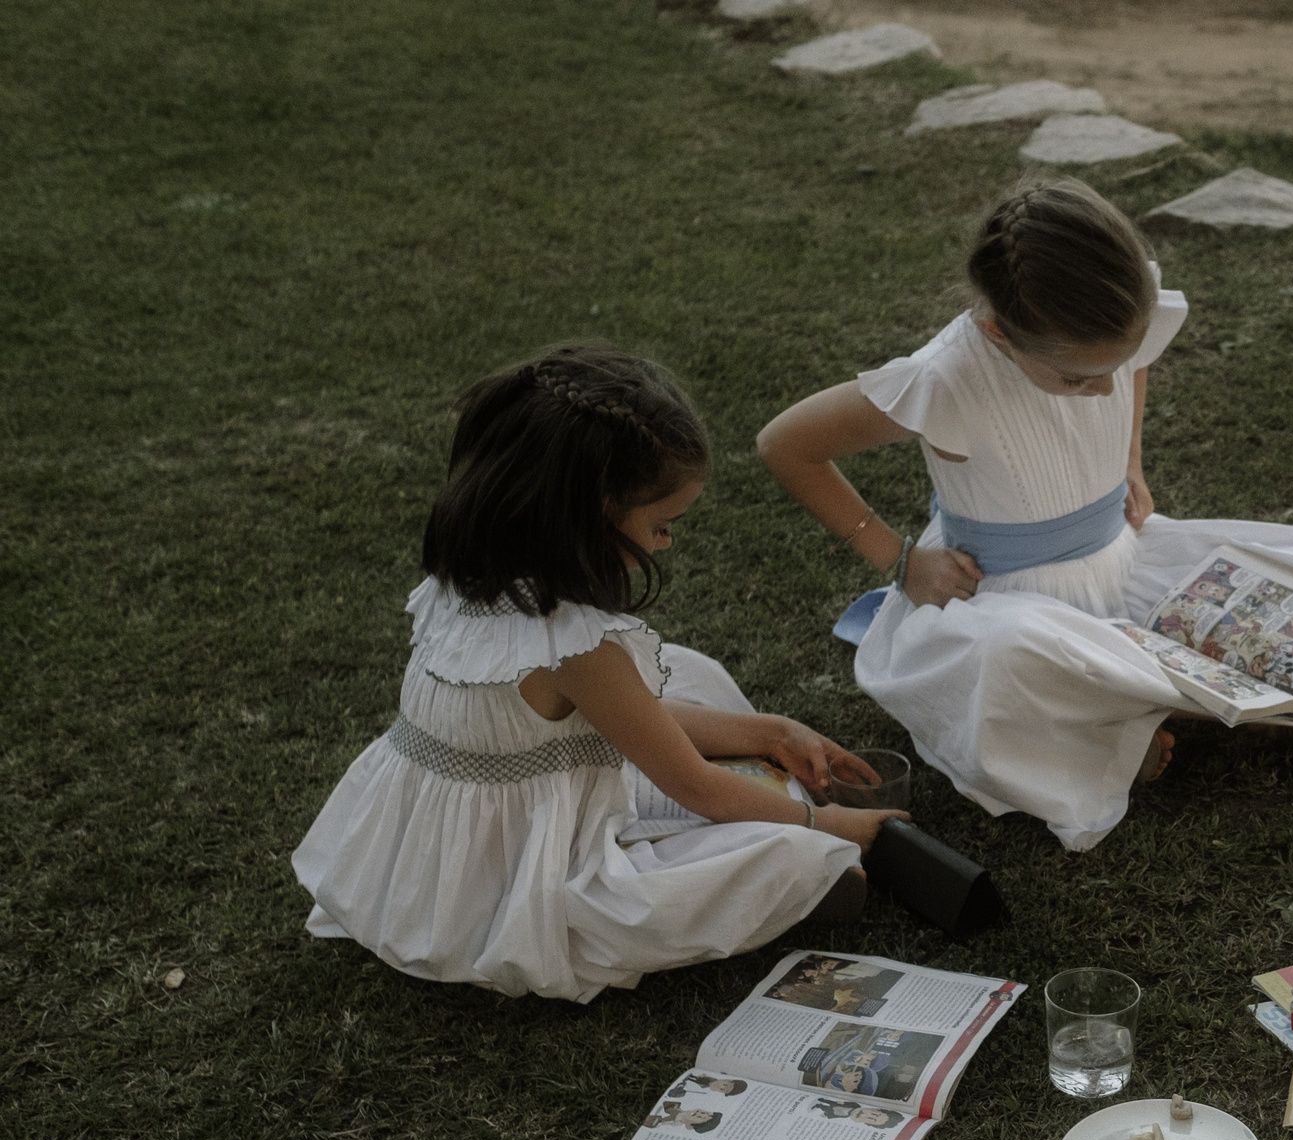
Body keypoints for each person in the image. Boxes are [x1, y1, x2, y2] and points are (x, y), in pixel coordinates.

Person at [757, 176, 1293, 850]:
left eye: (1115, 362)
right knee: (1010, 661)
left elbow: (1132, 365)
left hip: (1123, 558)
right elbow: (786, 445)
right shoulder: (949, 376)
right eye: (1077, 379)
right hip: (1014, 598)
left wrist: (1128, 461)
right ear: (1001, 335)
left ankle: (1184, 715)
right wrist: (899, 560)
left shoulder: (1119, 306)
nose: (1101, 386)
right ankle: (1163, 727)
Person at [294, 345, 906, 1003]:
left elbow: (619, 718)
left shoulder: (469, 580)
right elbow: (697, 786)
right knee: (786, 854)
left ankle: (788, 841)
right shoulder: (575, 643)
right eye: (660, 524)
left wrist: (770, 731)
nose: (667, 543)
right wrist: (830, 828)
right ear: (592, 515)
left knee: (689, 674)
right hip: (514, 878)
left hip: (425, 858)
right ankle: (812, 877)